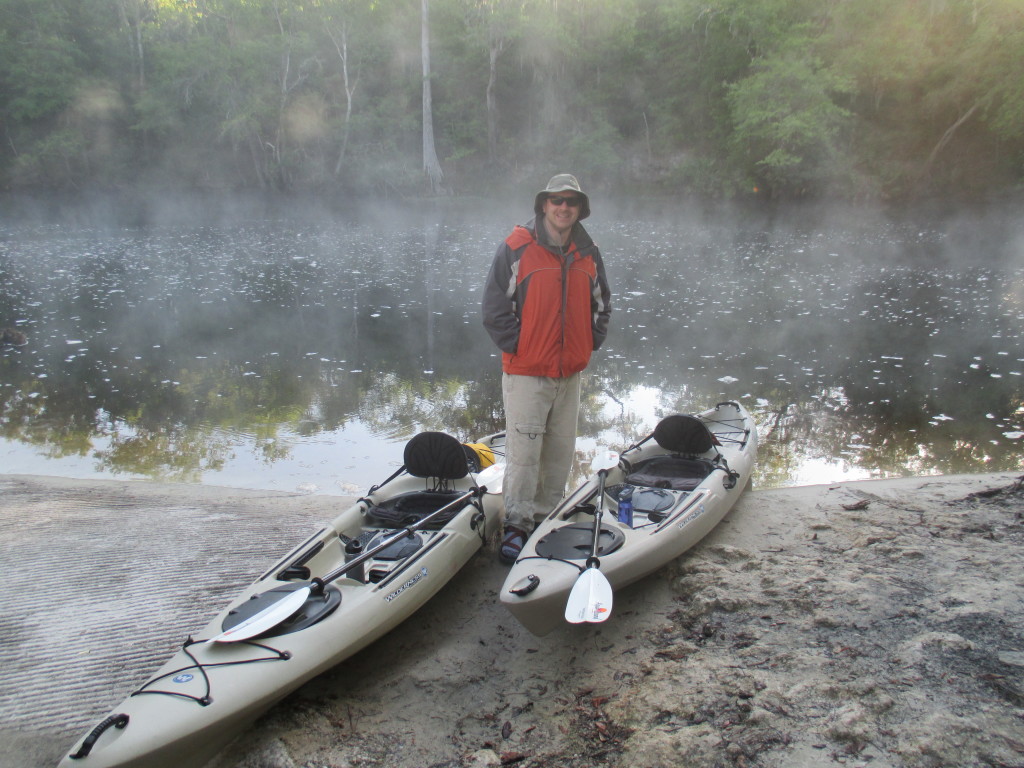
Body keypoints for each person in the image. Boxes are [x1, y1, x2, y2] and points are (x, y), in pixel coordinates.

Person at [482, 174, 612, 564]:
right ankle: (517, 526)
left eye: (571, 201)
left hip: (569, 375)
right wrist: (521, 348)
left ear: (579, 209)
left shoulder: (588, 251)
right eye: (556, 200)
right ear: (544, 205)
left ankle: (546, 519)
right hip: (526, 373)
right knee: (523, 453)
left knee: (558, 451)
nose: (563, 207)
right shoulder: (517, 247)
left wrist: (586, 346)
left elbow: (602, 307)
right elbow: (493, 309)